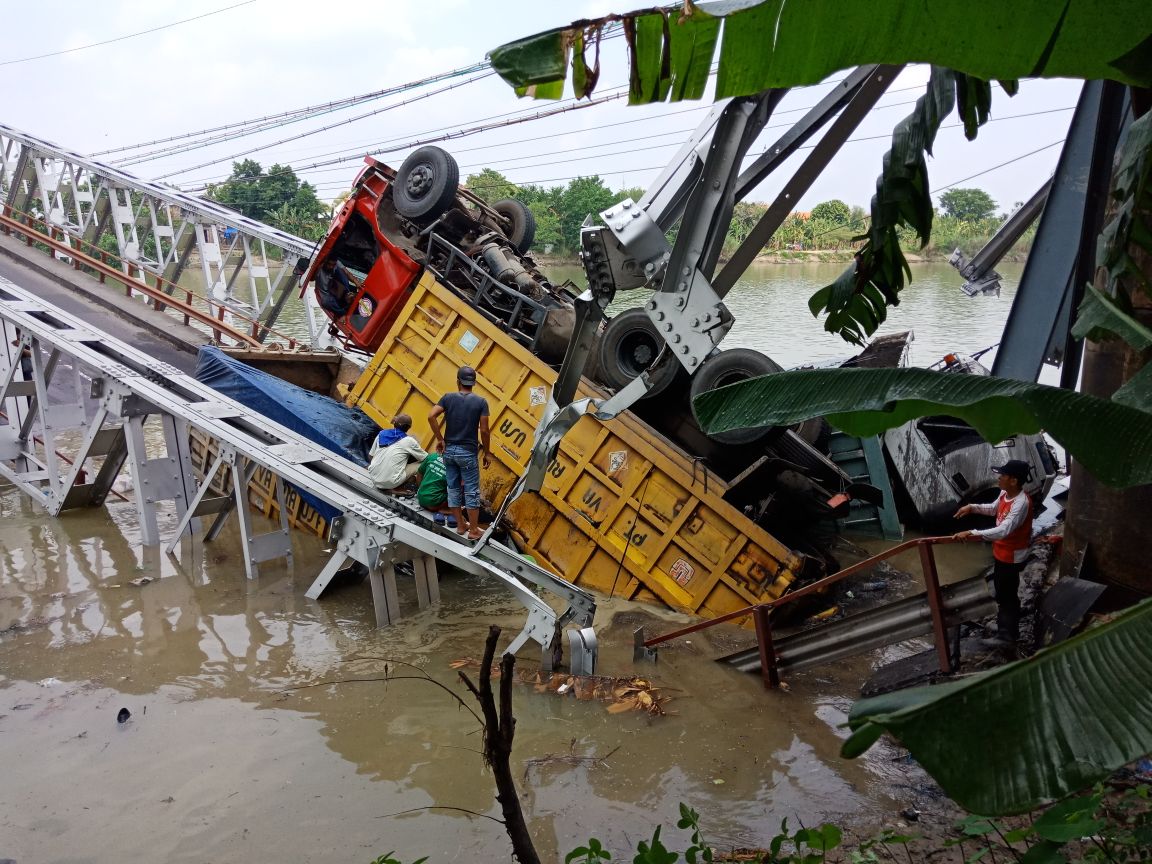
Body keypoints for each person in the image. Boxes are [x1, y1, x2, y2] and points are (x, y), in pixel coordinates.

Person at [953, 459, 1034, 645]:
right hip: (1001, 552)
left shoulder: (1021, 503)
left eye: (1003, 475)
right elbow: (993, 509)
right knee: (1002, 591)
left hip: (1012, 556)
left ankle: (1007, 636)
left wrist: (972, 533)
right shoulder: (1005, 494)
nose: (999, 478)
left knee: (1007, 594)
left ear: (1013, 480)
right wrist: (972, 507)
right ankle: (1005, 627)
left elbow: (1003, 530)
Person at [428, 365, 491, 541]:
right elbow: (484, 431)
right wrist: (487, 453)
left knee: (453, 488)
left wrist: (440, 439)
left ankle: (461, 525)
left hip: (449, 452)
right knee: (471, 492)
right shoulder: (481, 402)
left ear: (458, 381)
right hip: (468, 453)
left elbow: (431, 416)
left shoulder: (448, 398)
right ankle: (473, 531)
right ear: (474, 383)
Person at [367, 414, 427, 491]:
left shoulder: (381, 433)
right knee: (423, 463)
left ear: (395, 423)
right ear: (408, 428)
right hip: (391, 482)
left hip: (373, 477)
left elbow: (370, 456)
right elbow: (426, 459)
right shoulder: (409, 441)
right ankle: (417, 489)